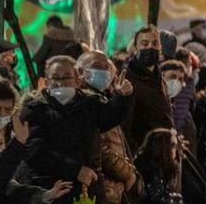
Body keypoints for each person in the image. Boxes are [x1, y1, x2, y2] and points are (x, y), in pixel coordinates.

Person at [20, 54, 134, 201]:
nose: (61, 83)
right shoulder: (34, 109)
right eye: (56, 78)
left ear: (77, 81)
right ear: (47, 82)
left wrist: (121, 96)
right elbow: (35, 150)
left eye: (67, 77)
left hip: (89, 189)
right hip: (52, 188)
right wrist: (75, 170)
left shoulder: (90, 104)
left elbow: (111, 117)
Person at [77, 50, 142, 204]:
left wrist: (123, 97)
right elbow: (101, 149)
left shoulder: (105, 99)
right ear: (80, 72)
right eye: (97, 66)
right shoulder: (85, 102)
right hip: (104, 186)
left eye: (106, 67)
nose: (104, 71)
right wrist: (127, 173)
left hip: (114, 186)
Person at [134, 127, 185, 204]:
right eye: (173, 145)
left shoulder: (161, 168)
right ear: (163, 147)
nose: (176, 151)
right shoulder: (149, 170)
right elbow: (154, 198)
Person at [161, 59, 196, 146]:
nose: (176, 82)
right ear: (162, 75)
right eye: (172, 76)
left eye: (180, 79)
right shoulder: (154, 101)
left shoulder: (174, 106)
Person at [31, 16, 78, 81]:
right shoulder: (72, 38)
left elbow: (41, 55)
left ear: (50, 25)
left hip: (53, 69)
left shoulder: (50, 36)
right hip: (70, 69)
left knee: (40, 64)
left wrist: (33, 59)